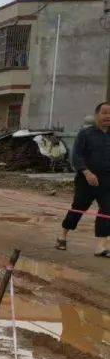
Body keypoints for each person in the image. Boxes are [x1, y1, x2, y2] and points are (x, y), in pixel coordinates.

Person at [58, 101, 110, 256]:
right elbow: (76, 156)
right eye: (105, 112)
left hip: (107, 181)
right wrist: (87, 172)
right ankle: (62, 235)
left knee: (107, 211)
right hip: (86, 180)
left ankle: (101, 246)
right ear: (96, 115)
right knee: (78, 208)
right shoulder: (86, 134)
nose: (108, 116)